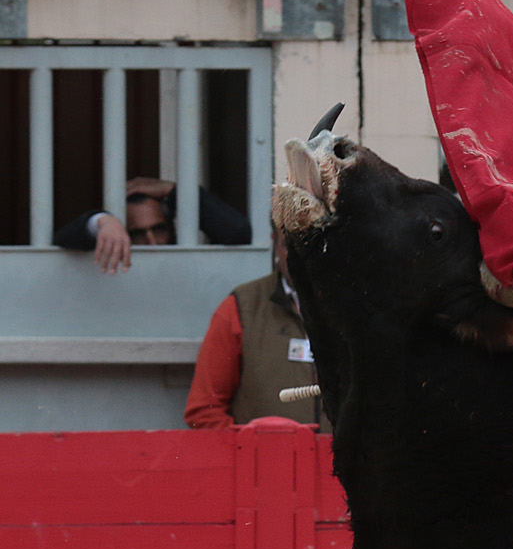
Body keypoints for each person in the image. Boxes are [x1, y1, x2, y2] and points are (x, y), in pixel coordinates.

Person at [186, 230, 329, 431]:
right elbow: (204, 411)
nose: (301, 255)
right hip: (264, 460)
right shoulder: (240, 308)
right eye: (291, 244)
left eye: (312, 243)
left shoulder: (363, 308)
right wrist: (250, 451)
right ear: (276, 244)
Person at [52, 177, 253, 275]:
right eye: (137, 234)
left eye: (159, 229)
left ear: (172, 227)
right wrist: (103, 221)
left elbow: (238, 233)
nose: (152, 241)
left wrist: (176, 191)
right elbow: (59, 242)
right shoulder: (112, 266)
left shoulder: (189, 263)